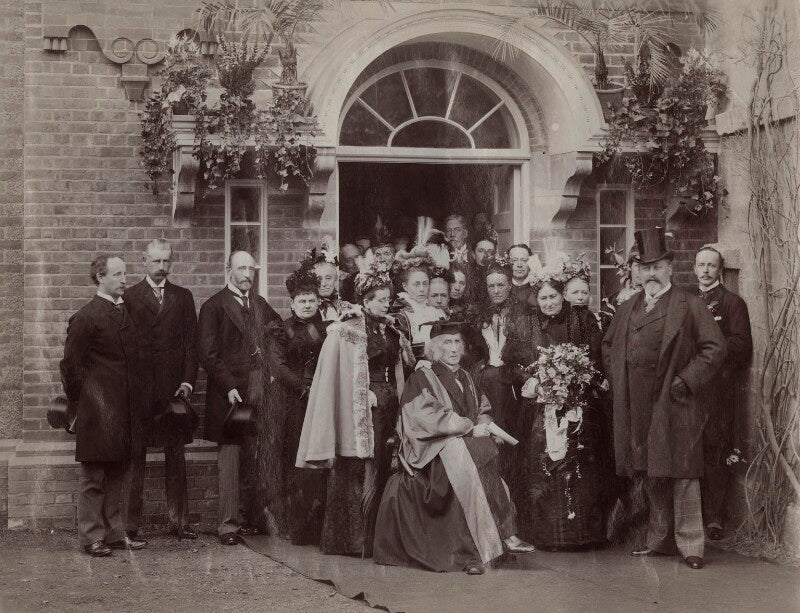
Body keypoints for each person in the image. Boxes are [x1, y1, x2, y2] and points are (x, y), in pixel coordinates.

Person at [602, 228, 726, 570]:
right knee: (649, 472)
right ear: (637, 271)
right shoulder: (628, 307)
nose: (651, 273)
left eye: (657, 266)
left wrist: (686, 380)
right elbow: (608, 345)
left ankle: (691, 546)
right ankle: (659, 540)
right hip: (637, 404)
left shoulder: (689, 305)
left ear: (670, 268)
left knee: (682, 474)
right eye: (645, 267)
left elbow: (715, 349)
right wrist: (619, 379)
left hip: (675, 401)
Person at [374, 321, 535, 575]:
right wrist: (470, 428)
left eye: (457, 342)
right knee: (473, 465)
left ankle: (501, 537)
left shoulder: (467, 376)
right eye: (446, 343)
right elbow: (424, 417)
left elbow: (482, 407)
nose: (453, 348)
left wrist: (486, 424)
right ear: (435, 348)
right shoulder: (422, 377)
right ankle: (479, 549)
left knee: (485, 455)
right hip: (433, 447)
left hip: (464, 442)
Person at [296, 265, 414, 556]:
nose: (386, 304)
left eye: (387, 299)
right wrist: (364, 395)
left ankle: (378, 539)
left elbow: (397, 368)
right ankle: (353, 540)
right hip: (361, 405)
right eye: (380, 299)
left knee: (386, 465)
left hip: (389, 404)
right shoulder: (347, 329)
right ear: (365, 300)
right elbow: (344, 372)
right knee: (360, 469)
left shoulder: (390, 329)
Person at [513, 266, 606, 551]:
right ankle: (548, 536)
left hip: (577, 404)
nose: (549, 303)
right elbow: (515, 364)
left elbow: (595, 359)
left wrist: (575, 382)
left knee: (578, 465)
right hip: (541, 408)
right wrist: (535, 383)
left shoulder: (581, 319)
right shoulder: (528, 324)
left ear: (562, 296)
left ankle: (583, 535)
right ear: (536, 300)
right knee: (546, 467)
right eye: (543, 298)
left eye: (553, 296)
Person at [60, 255, 147, 556]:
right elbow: (71, 367)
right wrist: (82, 404)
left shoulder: (125, 313)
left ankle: (114, 534)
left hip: (123, 411)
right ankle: (90, 537)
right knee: (94, 475)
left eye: (125, 273)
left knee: (117, 474)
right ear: (100, 277)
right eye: (118, 274)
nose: (125, 279)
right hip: (97, 411)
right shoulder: (85, 317)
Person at [198, 251, 281, 545]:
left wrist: (271, 370)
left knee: (255, 458)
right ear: (228, 270)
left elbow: (278, 335)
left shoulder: (259, 304)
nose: (247, 274)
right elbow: (207, 354)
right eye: (241, 268)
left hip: (258, 393)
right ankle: (228, 526)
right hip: (228, 395)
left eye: (251, 268)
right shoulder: (213, 306)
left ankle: (253, 518)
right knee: (230, 459)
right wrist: (229, 385)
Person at [123, 239, 198, 541]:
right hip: (140, 391)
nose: (161, 267)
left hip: (172, 392)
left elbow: (191, 346)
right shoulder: (129, 297)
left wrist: (187, 381)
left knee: (176, 456)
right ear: (144, 261)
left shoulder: (182, 296)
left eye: (166, 261)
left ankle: (179, 522)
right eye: (155, 261)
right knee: (135, 457)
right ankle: (129, 525)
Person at [694, 246, 752, 541]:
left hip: (718, 388)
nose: (705, 270)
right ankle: (692, 515)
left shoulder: (732, 303)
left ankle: (714, 517)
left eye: (711, 266)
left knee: (716, 448)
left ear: (720, 270)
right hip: (689, 387)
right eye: (701, 265)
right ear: (694, 268)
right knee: (692, 449)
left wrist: (709, 351)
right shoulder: (686, 300)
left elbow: (742, 345)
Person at [267, 267, 328, 545]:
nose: (307, 305)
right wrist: (305, 388)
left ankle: (318, 524)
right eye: (301, 300)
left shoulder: (327, 331)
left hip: (322, 401)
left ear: (318, 302)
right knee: (294, 459)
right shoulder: (281, 329)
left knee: (320, 459)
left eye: (311, 300)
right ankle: (294, 525)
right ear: (292, 303)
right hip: (293, 403)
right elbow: (278, 367)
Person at [391, 250, 446, 360]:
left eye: (425, 284)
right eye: (416, 284)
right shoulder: (401, 314)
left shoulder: (436, 310)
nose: (422, 289)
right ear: (405, 286)